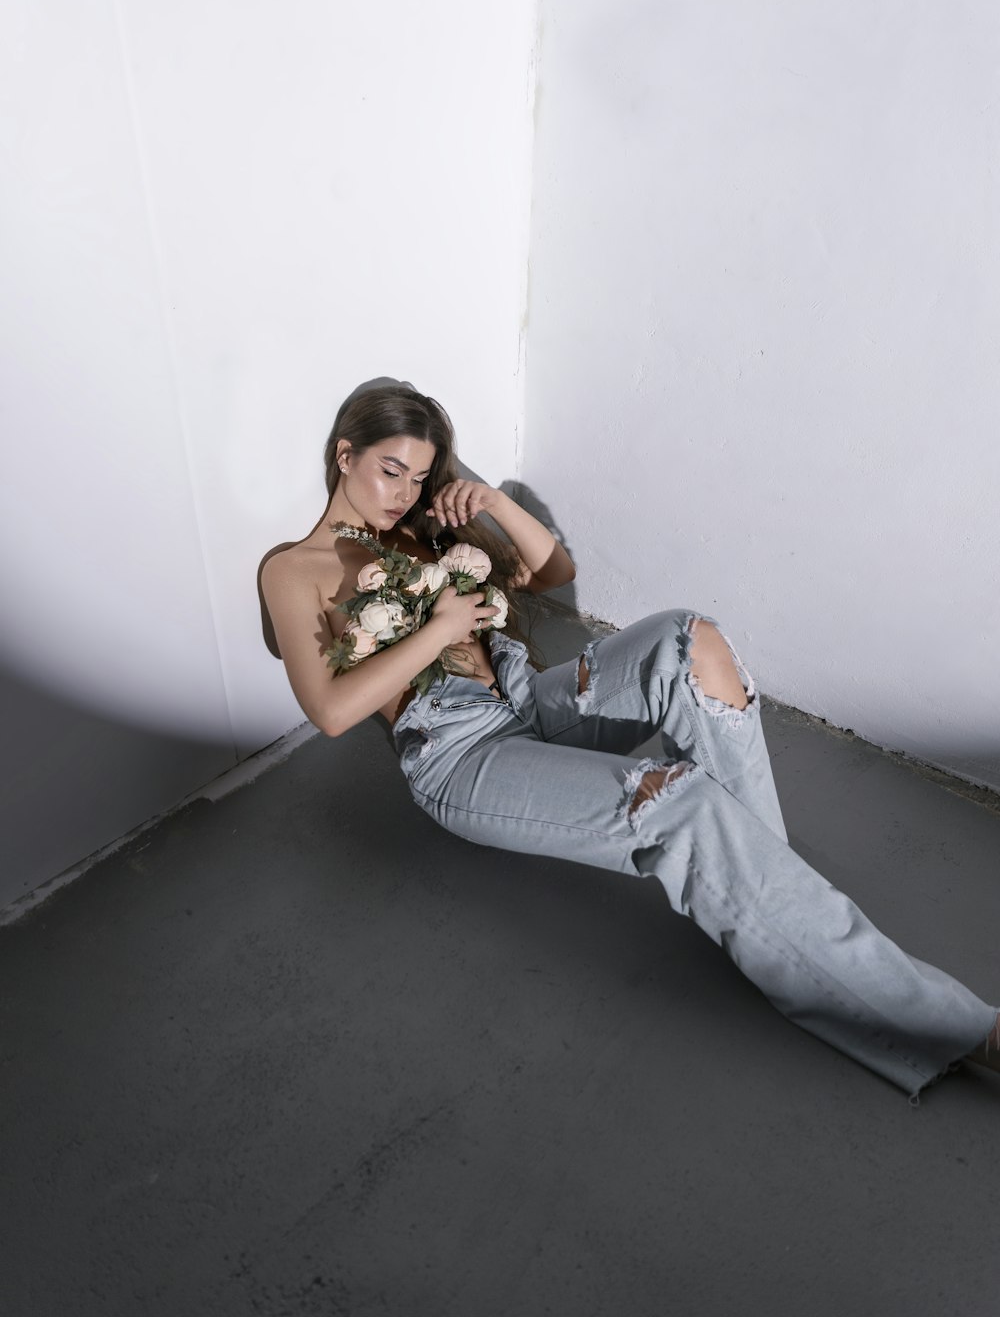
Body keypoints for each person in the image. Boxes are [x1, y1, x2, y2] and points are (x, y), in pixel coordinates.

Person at [260, 383, 1000, 1099]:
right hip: (460, 755)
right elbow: (329, 711)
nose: (403, 492)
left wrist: (488, 502)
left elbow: (554, 572)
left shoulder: (416, 535)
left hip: (524, 697)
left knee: (690, 643)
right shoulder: (292, 570)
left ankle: (778, 916)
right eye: (390, 470)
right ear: (344, 453)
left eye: (419, 477)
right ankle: (960, 1027)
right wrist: (447, 629)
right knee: (675, 803)